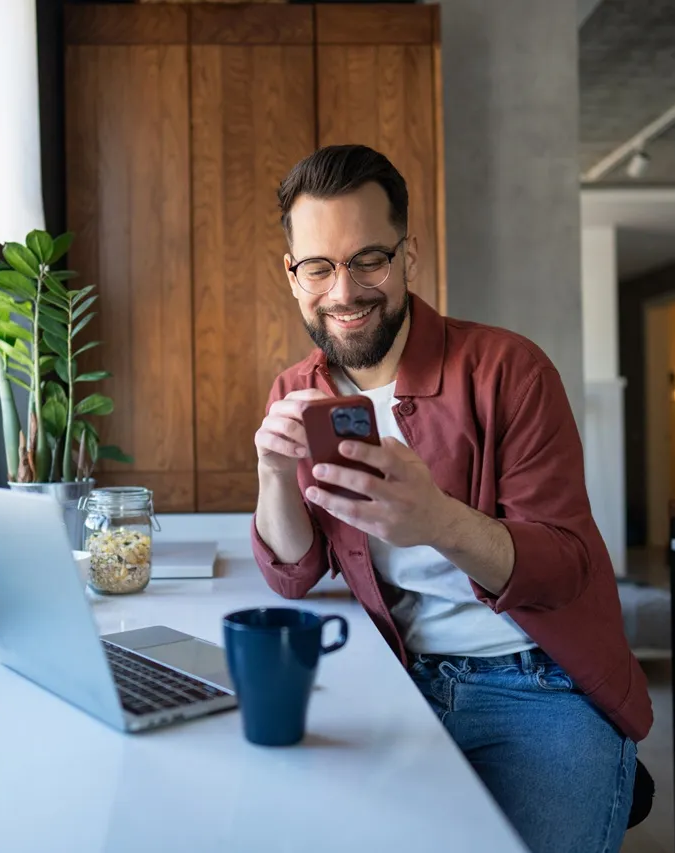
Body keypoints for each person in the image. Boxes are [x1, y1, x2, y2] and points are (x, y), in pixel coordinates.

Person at [251, 144, 651, 853]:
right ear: (293, 274)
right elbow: (295, 569)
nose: (343, 292)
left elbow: (564, 567)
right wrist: (272, 474)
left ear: (408, 256)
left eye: (368, 259)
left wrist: (436, 520)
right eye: (319, 266)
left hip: (539, 679)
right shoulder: (297, 389)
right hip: (397, 678)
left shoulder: (509, 369)